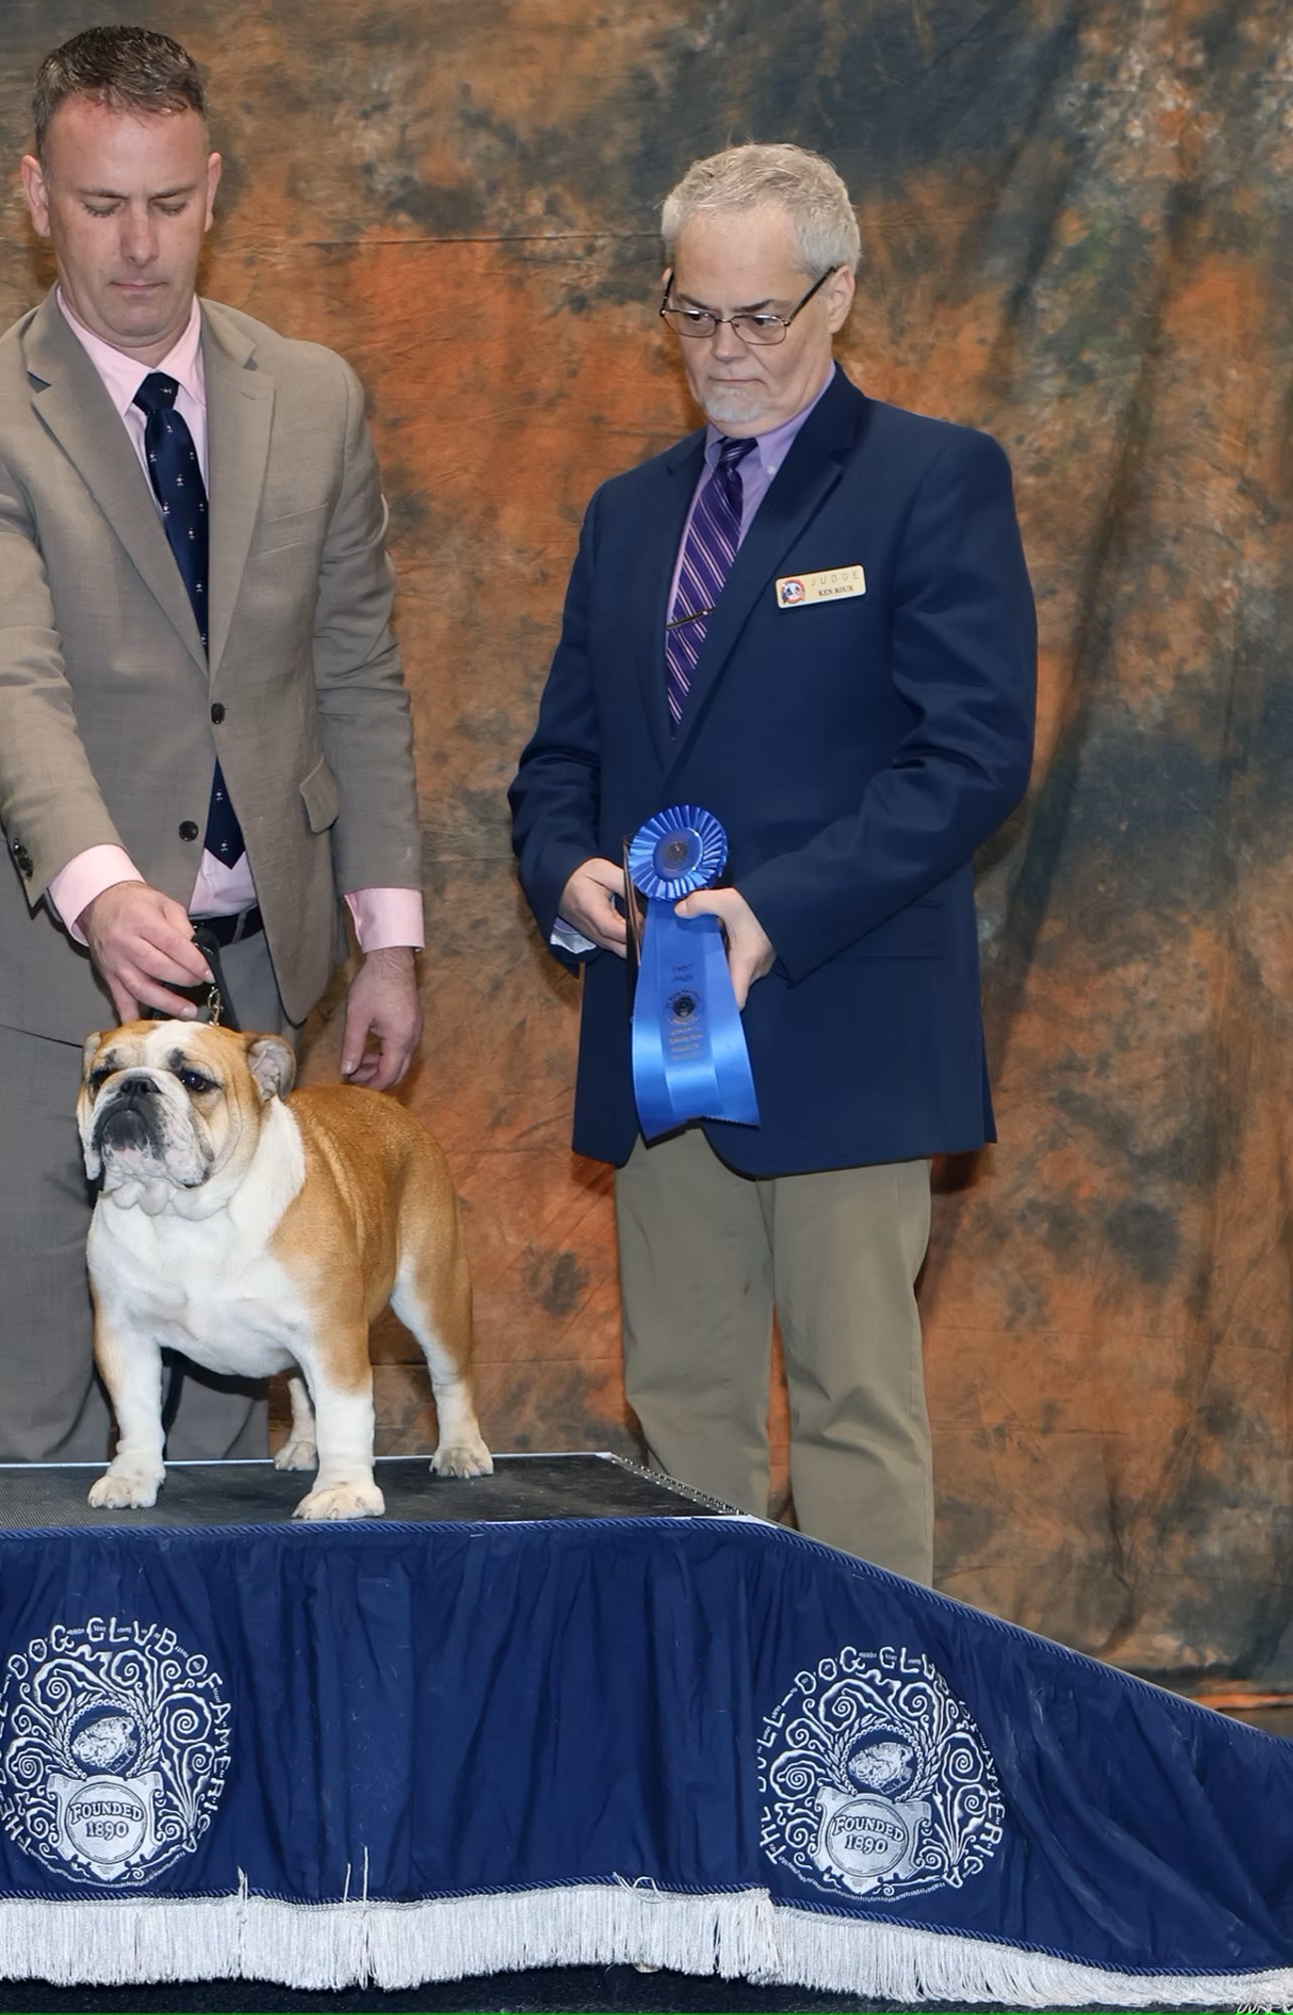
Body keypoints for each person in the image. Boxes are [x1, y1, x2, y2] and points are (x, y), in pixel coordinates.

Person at [509, 144, 1035, 1583]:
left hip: (847, 1026)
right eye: (693, 315)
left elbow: (974, 755)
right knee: (679, 1417)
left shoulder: (934, 478)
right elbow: (560, 765)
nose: (722, 351)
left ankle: (866, 1770)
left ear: (840, 296)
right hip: (655, 1033)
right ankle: (701, 1741)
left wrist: (770, 913)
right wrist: (567, 875)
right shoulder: (626, 515)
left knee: (858, 1414)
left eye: (760, 317)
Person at [0, 26, 425, 1466]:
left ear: (215, 190)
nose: (138, 247)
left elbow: (358, 670)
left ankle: (197, 1703)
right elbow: (4, 679)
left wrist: (385, 938)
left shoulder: (314, 396)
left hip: (261, 991)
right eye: (97, 204)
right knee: (31, 1415)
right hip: (38, 1000)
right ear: (32, 196)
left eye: (168, 203)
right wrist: (99, 882)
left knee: (219, 1437)